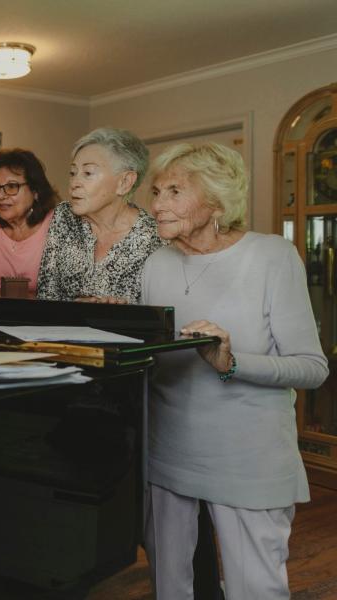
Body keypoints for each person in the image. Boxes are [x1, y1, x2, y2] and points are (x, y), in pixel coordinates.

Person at [141, 142, 328, 599]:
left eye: (175, 191)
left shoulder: (272, 257)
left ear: (217, 201)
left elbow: (311, 368)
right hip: (168, 450)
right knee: (170, 585)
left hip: (247, 458)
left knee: (255, 588)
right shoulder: (155, 263)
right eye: (157, 191)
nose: (158, 204)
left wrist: (233, 361)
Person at [36, 127, 161, 303]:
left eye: (88, 173)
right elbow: (46, 296)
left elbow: (158, 316)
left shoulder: (154, 238)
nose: (74, 183)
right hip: (63, 330)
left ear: (124, 182)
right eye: (73, 173)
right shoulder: (64, 216)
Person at [0, 148, 57, 296]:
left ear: (35, 191)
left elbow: (65, 295)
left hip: (41, 317)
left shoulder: (56, 225)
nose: (1, 195)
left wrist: (6, 296)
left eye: (11, 186)